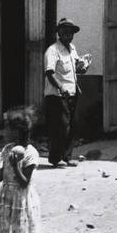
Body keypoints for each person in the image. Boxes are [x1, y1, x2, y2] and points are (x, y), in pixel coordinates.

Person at [0, 106, 46, 233]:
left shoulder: (30, 153)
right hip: (7, 200)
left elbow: (24, 182)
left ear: (16, 132)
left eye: (7, 129)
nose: (4, 132)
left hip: (21, 201)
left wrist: (15, 165)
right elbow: (2, 171)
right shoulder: (7, 149)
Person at [43, 18, 90, 168]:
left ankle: (67, 156)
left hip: (72, 92)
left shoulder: (72, 49)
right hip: (56, 95)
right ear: (59, 33)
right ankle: (55, 158)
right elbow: (50, 73)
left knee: (73, 125)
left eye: (71, 33)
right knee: (61, 126)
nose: (68, 35)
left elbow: (76, 68)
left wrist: (84, 66)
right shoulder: (53, 50)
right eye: (65, 32)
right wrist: (60, 87)